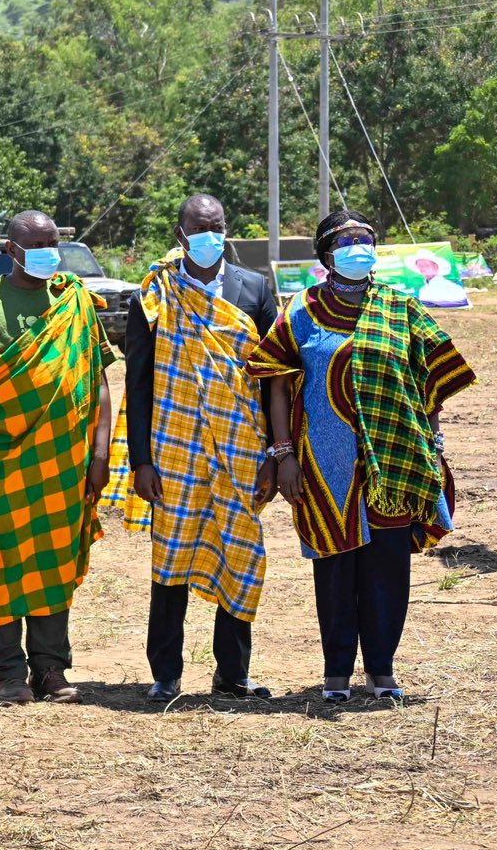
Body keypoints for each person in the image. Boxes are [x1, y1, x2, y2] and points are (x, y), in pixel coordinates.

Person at [246, 209, 475, 702]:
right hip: (322, 462)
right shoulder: (301, 311)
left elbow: (429, 383)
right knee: (333, 564)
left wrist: (434, 448)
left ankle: (381, 668)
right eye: (347, 241)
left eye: (365, 240)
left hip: (396, 458)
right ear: (327, 254)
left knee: (388, 566)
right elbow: (278, 386)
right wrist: (283, 453)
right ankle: (335, 672)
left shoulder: (400, 308)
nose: (359, 249)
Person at [0, 210, 115, 704]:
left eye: (52, 242)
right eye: (36, 243)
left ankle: (51, 669)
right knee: (1, 561)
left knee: (54, 561)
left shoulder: (75, 303)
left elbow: (97, 378)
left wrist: (99, 453)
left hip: (65, 464)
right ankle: (6, 672)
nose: (47, 251)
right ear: (11, 251)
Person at [121, 196, 281, 703]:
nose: (209, 235)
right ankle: (165, 672)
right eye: (199, 227)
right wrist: (141, 461)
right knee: (171, 560)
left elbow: (271, 375)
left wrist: (275, 457)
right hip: (174, 448)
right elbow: (138, 379)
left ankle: (232, 673)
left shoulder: (254, 287)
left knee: (240, 553)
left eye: (217, 227)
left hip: (241, 447)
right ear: (181, 232)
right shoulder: (154, 292)